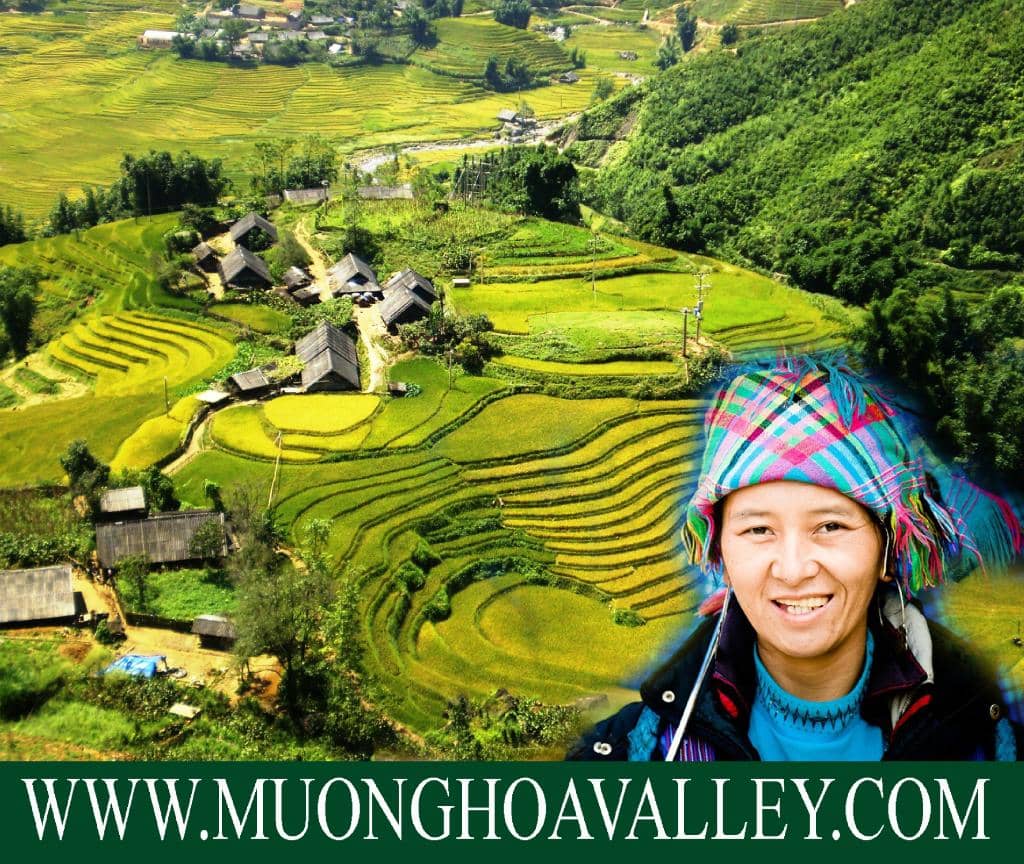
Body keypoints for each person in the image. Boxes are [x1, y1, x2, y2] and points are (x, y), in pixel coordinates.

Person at [566, 355, 1024, 761]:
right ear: (722, 552)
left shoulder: (992, 753)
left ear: (886, 551)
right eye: (758, 530)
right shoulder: (627, 756)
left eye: (831, 527)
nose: (793, 569)